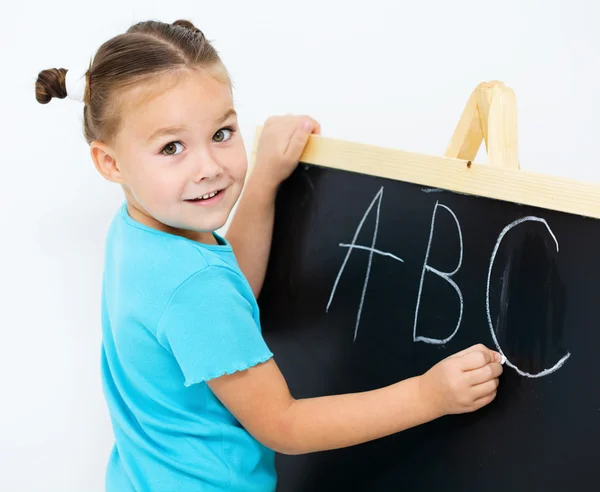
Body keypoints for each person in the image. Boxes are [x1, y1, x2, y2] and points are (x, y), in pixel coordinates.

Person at [35, 19, 503, 492]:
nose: (210, 168)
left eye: (222, 133)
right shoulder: (194, 288)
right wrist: (427, 395)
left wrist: (262, 182)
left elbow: (231, 289)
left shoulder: (138, 234)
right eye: (172, 147)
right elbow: (284, 424)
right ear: (110, 162)